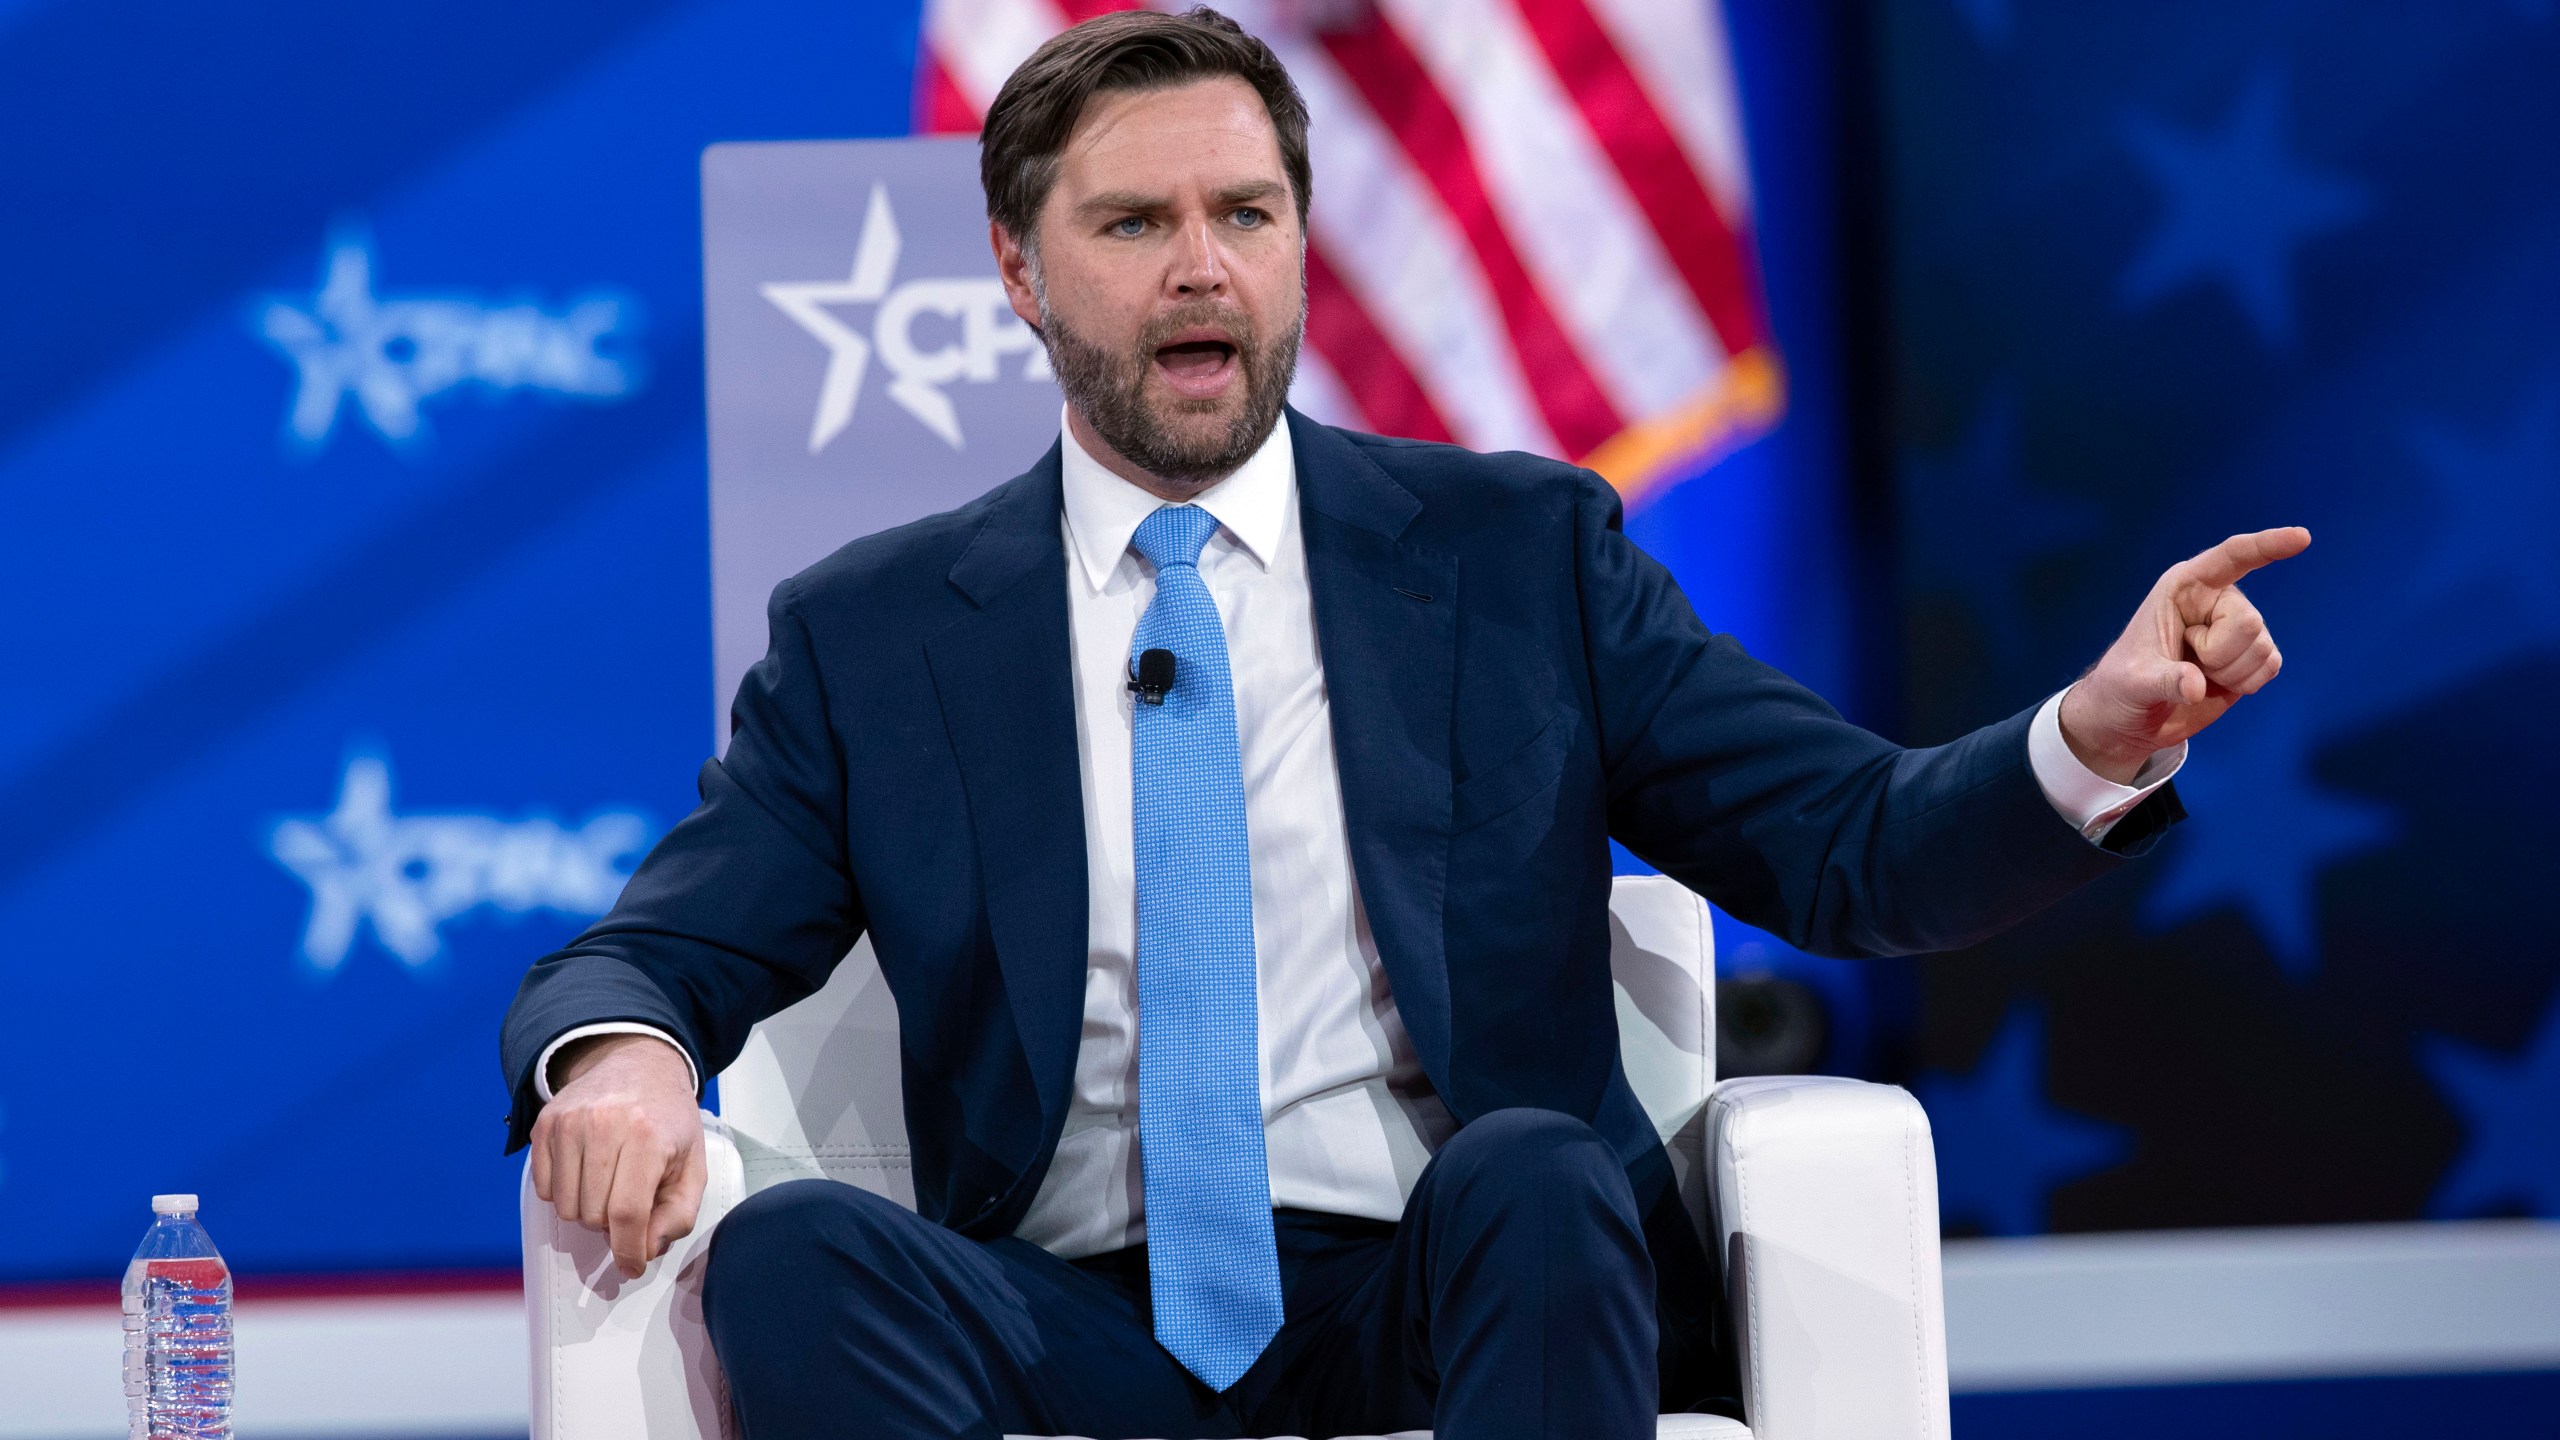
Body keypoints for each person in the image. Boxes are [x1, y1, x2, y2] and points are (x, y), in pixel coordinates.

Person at [499, 10, 2305, 1438]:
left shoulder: (1520, 553)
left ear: (1299, 245)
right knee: (800, 1252)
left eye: (1245, 216)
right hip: (1066, 1325)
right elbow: (655, 947)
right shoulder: (878, 632)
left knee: (1528, 1168)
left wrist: (2092, 733)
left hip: (1449, 1299)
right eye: (1133, 223)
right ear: (1021, 273)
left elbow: (1855, 845)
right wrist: (627, 1055)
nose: (1201, 268)